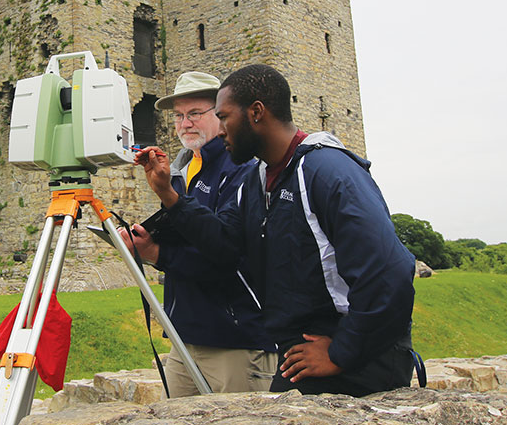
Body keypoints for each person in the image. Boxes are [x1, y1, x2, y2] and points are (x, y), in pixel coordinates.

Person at [129, 64, 416, 397]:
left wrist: (342, 351)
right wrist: (169, 196)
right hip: (301, 355)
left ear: (256, 113)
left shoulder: (325, 170)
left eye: (224, 117)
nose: (221, 131)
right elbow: (226, 245)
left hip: (357, 364)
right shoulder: (260, 179)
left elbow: (390, 272)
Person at [125, 71, 277, 396]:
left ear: (221, 114)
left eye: (195, 113)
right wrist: (150, 243)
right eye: (179, 116)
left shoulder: (244, 169)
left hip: (235, 342)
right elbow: (192, 240)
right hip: (185, 339)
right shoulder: (183, 171)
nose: (184, 124)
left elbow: (228, 254)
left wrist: (157, 254)